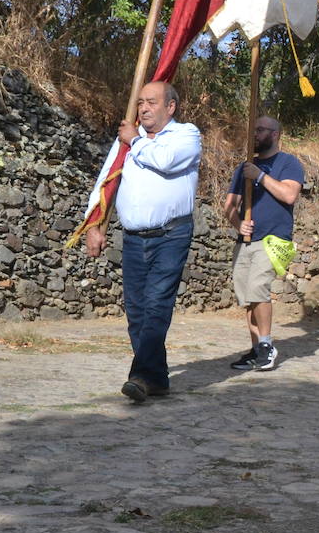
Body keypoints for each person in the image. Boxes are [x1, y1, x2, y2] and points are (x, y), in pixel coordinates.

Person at [84, 81, 201, 404]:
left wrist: (134, 140)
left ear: (171, 107)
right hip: (133, 238)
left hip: (171, 235)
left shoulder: (186, 135)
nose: (144, 109)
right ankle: (156, 379)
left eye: (151, 102)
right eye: (140, 103)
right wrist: (95, 224)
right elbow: (106, 182)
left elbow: (165, 161)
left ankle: (139, 375)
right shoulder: (128, 141)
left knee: (157, 304)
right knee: (137, 311)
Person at [222, 116, 304, 370]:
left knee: (258, 287)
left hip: (273, 238)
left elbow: (289, 195)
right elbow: (229, 207)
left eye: (260, 130)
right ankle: (256, 348)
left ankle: (267, 345)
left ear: (276, 134)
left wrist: (259, 176)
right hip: (246, 239)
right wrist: (238, 224)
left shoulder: (288, 163)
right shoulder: (244, 167)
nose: (255, 135)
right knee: (247, 297)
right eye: (253, 130)